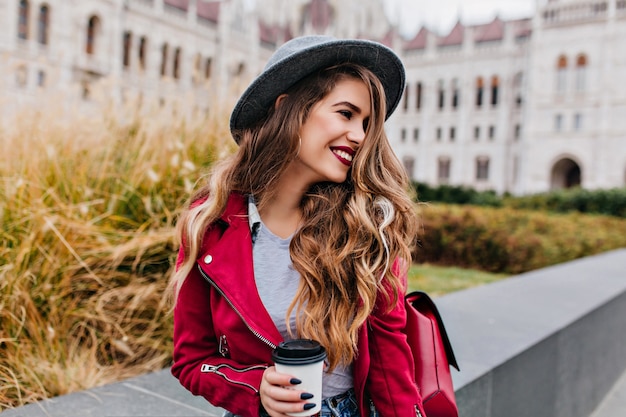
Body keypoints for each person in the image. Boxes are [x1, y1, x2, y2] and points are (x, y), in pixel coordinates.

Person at [169, 35, 426, 417]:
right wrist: (256, 386)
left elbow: (392, 369)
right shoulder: (210, 221)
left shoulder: (368, 227)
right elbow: (191, 360)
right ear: (288, 108)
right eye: (346, 113)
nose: (359, 135)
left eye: (366, 123)